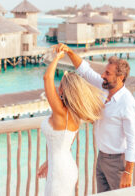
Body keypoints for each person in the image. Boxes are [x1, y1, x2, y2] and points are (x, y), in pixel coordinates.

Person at [55, 43, 135, 192]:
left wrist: (128, 172)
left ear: (120, 78)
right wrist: (69, 51)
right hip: (101, 158)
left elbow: (133, 139)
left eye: (107, 73)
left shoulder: (127, 103)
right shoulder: (104, 87)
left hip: (118, 161)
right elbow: (85, 70)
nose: (102, 76)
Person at [37, 49, 104, 196]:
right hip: (62, 167)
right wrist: (49, 163)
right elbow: (62, 145)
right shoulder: (74, 114)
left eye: (59, 85)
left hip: (59, 173)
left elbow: (47, 77)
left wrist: (57, 57)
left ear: (62, 90)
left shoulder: (60, 112)